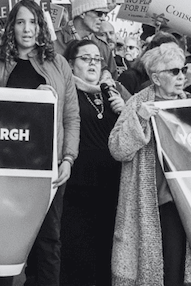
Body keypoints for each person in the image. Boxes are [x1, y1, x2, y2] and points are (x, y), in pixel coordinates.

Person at [0, 0, 79, 286]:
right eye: (21, 22)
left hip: (49, 169)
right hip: (8, 169)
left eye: (33, 22)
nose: (27, 29)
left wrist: (68, 158)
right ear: (11, 27)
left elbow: (71, 116)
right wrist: (33, 98)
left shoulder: (58, 64)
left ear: (41, 27)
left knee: (49, 240)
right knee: (5, 238)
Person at [108, 42, 191, 285]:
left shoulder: (188, 103)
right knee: (152, 271)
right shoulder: (137, 103)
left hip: (183, 199)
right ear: (156, 78)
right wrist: (140, 119)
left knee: (176, 268)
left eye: (183, 70)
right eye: (174, 72)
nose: (181, 77)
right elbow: (117, 148)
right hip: (150, 202)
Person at [60, 39, 127, 286]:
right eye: (85, 58)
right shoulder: (67, 92)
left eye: (97, 59)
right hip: (78, 188)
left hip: (111, 187)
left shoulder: (113, 92)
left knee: (106, 252)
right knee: (78, 254)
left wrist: (126, 109)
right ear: (70, 64)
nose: (92, 63)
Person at [53, 0, 116, 78]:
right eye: (99, 13)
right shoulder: (53, 39)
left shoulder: (103, 47)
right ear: (83, 13)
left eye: (104, 14)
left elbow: (113, 80)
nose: (103, 18)